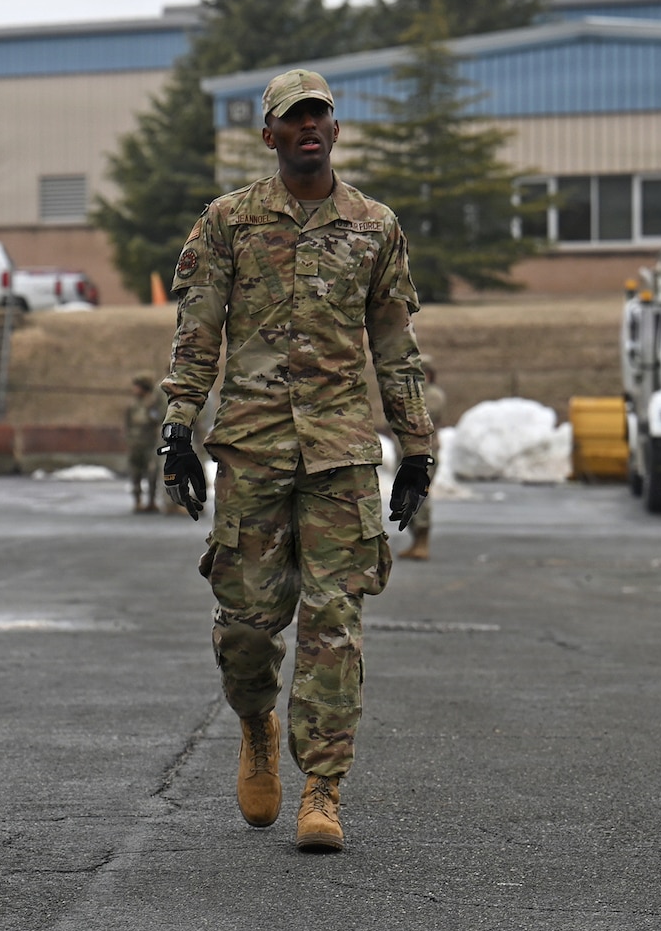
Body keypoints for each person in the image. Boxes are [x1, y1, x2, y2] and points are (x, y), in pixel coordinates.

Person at [158, 69, 434, 852]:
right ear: (271, 134)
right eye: (293, 118)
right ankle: (254, 723)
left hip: (342, 454)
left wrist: (416, 447)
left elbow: (396, 348)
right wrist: (178, 427)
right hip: (253, 450)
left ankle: (322, 787)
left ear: (336, 130)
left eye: (320, 115)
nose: (308, 127)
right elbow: (196, 334)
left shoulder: (375, 228)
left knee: (334, 624)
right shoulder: (229, 223)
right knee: (247, 626)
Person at [397, 354, 447, 561]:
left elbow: (424, 417)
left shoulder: (432, 395)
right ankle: (414, 540)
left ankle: (422, 541)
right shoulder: (410, 395)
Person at [122, 373, 165, 513]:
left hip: (149, 443)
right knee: (135, 473)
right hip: (135, 443)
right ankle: (138, 501)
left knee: (152, 472)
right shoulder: (132, 404)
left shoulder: (152, 403)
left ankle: (151, 501)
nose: (134, 389)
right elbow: (127, 423)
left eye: (137, 386)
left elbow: (158, 419)